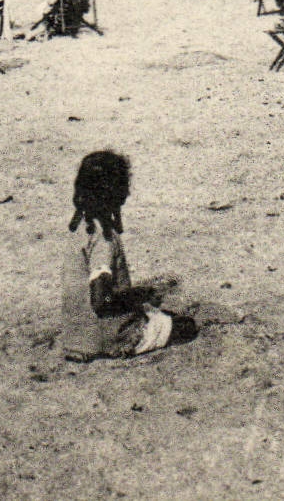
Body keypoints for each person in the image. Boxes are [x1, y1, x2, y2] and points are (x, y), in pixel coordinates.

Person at [60, 151, 197, 362]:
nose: (128, 193)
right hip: (107, 339)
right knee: (185, 325)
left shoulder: (78, 229)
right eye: (124, 186)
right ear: (114, 192)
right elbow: (102, 301)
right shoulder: (103, 239)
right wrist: (138, 295)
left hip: (76, 338)